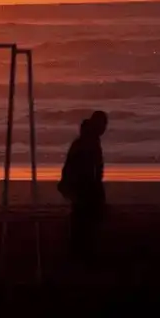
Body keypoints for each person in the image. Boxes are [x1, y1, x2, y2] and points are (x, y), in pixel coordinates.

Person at [59, 110, 108, 262]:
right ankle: (81, 252)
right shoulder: (88, 143)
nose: (105, 129)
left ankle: (79, 250)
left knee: (82, 218)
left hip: (79, 184)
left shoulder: (85, 140)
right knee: (85, 218)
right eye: (103, 125)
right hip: (80, 185)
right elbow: (92, 169)